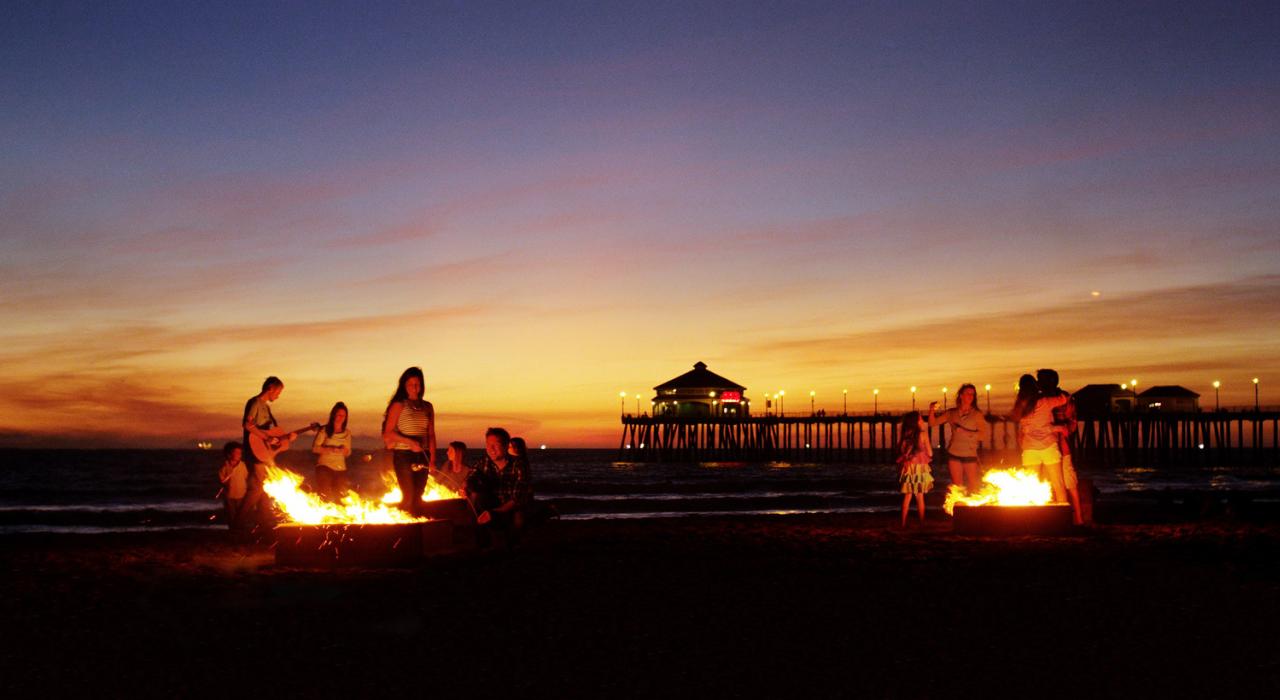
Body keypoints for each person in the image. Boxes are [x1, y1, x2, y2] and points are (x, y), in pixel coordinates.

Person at [382, 367, 437, 514]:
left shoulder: (428, 406)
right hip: (404, 455)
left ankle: (417, 522)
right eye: (410, 384)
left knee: (418, 496)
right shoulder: (399, 405)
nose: (414, 387)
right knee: (409, 496)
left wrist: (432, 459)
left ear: (422, 385)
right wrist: (410, 442)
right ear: (404, 386)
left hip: (423, 455)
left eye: (417, 384)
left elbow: (431, 434)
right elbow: (388, 434)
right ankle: (402, 521)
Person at [1012, 370, 1070, 504]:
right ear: (1035, 386)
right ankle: (1062, 513)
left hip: (1029, 449)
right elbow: (1064, 398)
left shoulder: (1019, 406)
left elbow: (1024, 429)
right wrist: (1051, 390)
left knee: (1032, 488)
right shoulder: (1045, 402)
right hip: (1048, 446)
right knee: (1058, 484)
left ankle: (1035, 515)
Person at [470, 427, 531, 545]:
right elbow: (470, 478)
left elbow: (517, 498)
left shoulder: (519, 464)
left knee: (518, 522)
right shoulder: (484, 462)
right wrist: (466, 487)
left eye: (496, 445)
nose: (491, 449)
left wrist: (494, 513)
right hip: (490, 504)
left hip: (511, 507)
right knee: (474, 494)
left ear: (506, 445)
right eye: (488, 445)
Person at [1038, 369, 1083, 524]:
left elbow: (1072, 424)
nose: (1038, 384)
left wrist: (1056, 430)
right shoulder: (1040, 399)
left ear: (1050, 382)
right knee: (1050, 483)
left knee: (1069, 482)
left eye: (1041, 381)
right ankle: (1056, 519)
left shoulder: (1064, 398)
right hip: (1046, 447)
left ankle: (1078, 519)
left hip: (1061, 447)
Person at [928, 383, 986, 493]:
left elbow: (982, 436)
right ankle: (959, 504)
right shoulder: (951, 413)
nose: (971, 396)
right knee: (957, 488)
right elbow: (932, 423)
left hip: (970, 454)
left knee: (974, 487)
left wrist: (965, 432)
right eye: (968, 393)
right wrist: (931, 410)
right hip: (954, 454)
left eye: (973, 394)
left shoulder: (977, 414)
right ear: (961, 396)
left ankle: (973, 504)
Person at [897, 411, 933, 527]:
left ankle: (903, 524)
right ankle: (922, 524)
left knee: (907, 497)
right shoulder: (923, 434)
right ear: (916, 422)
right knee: (920, 497)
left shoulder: (905, 434)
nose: (922, 421)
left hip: (908, 468)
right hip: (920, 469)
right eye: (920, 419)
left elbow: (902, 451)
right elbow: (930, 453)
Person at [312, 402, 352, 501]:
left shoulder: (347, 433)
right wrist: (331, 449)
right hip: (325, 468)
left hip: (340, 469)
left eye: (344, 416)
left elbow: (348, 452)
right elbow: (315, 448)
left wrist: (343, 451)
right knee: (325, 496)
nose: (341, 418)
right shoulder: (324, 430)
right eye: (339, 415)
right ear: (333, 415)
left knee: (341, 498)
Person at [217, 442, 248, 529]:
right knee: (231, 514)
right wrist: (228, 475)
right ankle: (232, 529)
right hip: (229, 496)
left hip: (241, 494)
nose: (239, 455)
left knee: (241, 514)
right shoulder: (224, 466)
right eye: (237, 453)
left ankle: (240, 529)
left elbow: (246, 477)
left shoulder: (243, 465)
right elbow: (221, 480)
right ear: (229, 454)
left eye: (240, 453)